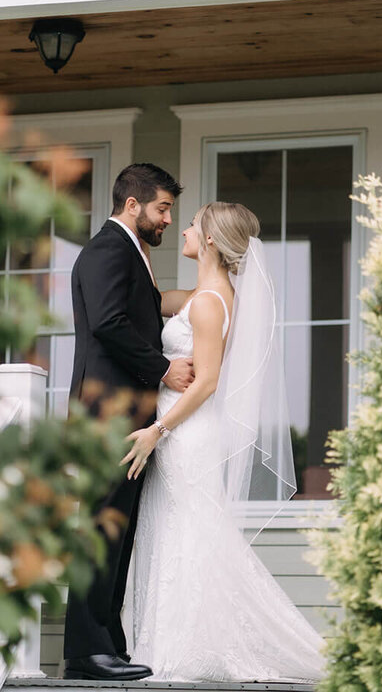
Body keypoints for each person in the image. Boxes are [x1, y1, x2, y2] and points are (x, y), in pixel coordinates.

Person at [121, 201, 326, 682]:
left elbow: (208, 381)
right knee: (180, 533)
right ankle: (164, 645)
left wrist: (157, 430)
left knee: (188, 535)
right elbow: (155, 298)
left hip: (184, 435)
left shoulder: (211, 304)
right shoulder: (203, 295)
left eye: (192, 224)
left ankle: (179, 650)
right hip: (180, 432)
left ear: (210, 239)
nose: (185, 230)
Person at [64, 163, 195, 681]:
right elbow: (108, 322)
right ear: (133, 204)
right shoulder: (107, 250)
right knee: (101, 528)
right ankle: (85, 651)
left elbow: (136, 312)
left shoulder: (131, 253)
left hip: (126, 416)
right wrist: (163, 368)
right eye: (162, 208)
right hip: (106, 414)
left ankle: (107, 644)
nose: (166, 219)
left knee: (117, 531)